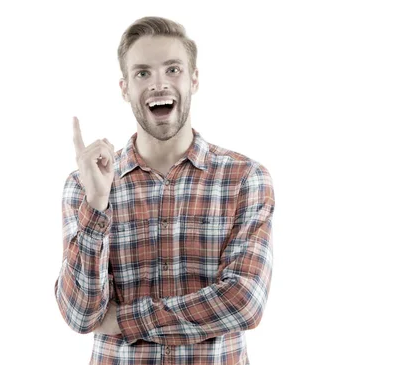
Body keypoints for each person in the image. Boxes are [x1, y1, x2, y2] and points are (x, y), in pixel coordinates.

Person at [54, 16, 275, 365]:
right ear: (125, 88)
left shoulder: (244, 179)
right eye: (143, 73)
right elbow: (81, 315)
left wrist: (122, 321)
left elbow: (244, 302)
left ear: (194, 79)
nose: (158, 84)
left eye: (172, 69)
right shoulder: (85, 184)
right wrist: (96, 206)